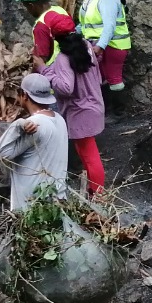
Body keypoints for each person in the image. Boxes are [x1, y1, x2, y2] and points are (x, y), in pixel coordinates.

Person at [37, 33, 107, 195]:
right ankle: (93, 190)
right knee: (84, 152)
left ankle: (99, 195)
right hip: (94, 104)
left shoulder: (63, 58)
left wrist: (44, 70)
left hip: (80, 112)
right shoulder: (86, 46)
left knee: (90, 155)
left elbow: (66, 87)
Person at [0, 74, 69, 213]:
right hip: (57, 198)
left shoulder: (34, 125)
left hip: (33, 205)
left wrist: (17, 124)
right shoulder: (59, 118)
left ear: (25, 96)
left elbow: (0, 154)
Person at [76, 0, 132, 107]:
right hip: (101, 43)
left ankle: (118, 112)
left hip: (113, 45)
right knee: (101, 77)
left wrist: (100, 46)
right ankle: (105, 109)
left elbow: (110, 25)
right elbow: (87, 20)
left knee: (114, 78)